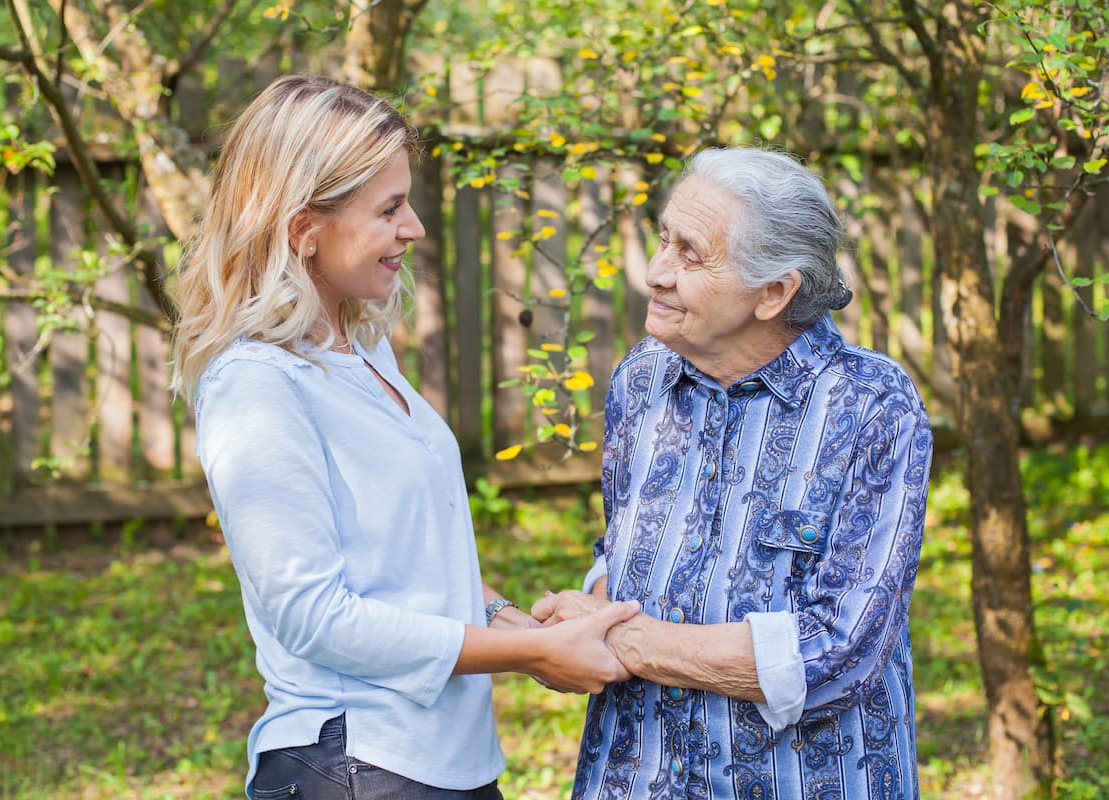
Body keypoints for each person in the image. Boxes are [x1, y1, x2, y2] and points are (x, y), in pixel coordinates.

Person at [170, 74, 639, 800]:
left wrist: (519, 624)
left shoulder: (360, 352)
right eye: (389, 208)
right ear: (305, 230)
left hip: (441, 765)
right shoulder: (257, 383)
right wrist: (526, 651)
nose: (415, 226)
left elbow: (408, 567)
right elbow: (314, 618)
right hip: (356, 763)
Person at [533, 146, 933, 799]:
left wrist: (627, 641)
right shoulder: (643, 378)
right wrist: (581, 623)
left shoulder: (871, 405)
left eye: (690, 254)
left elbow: (837, 651)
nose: (655, 273)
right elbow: (624, 548)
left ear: (774, 292)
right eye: (663, 241)